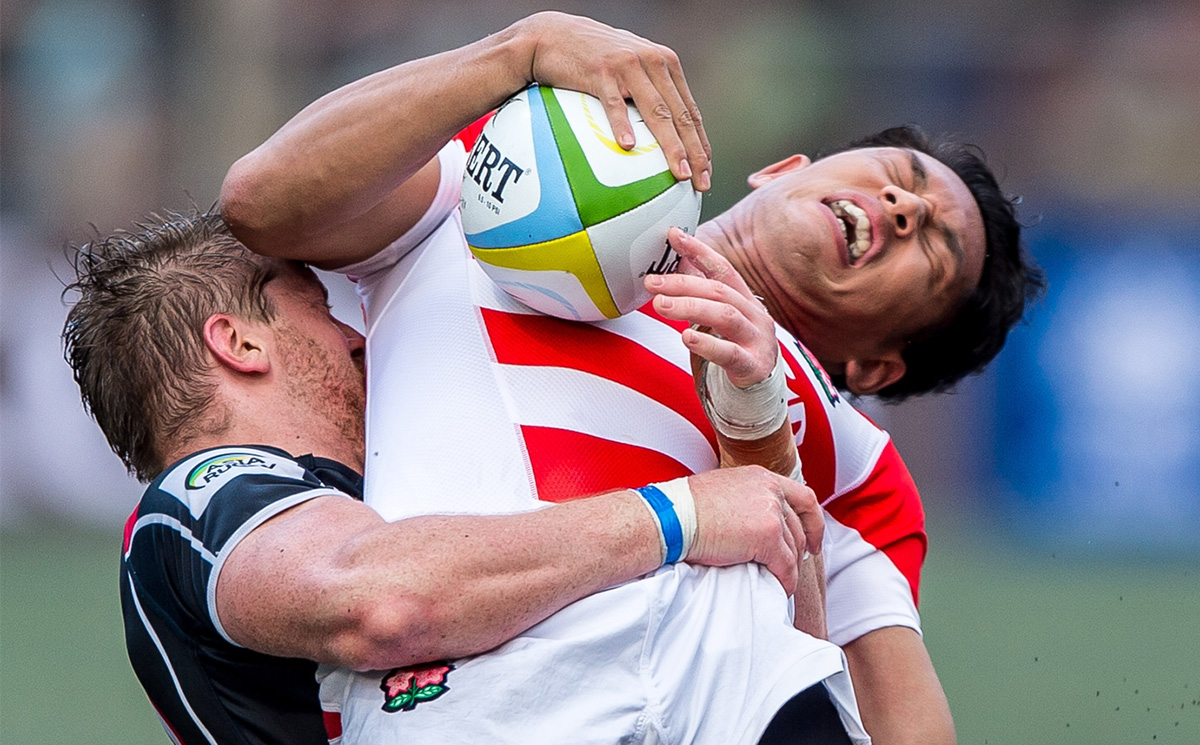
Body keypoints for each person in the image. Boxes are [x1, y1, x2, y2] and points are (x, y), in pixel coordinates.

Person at [220, 10, 1043, 745]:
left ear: (875, 365)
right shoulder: (507, 181)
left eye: (934, 250)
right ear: (782, 167)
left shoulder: (852, 457)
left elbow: (904, 732)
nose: (903, 209)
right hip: (471, 706)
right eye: (902, 175)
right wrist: (519, 50)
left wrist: (761, 441)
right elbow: (261, 202)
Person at [61, 209, 828, 745]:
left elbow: (793, 653)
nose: (356, 334)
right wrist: (682, 513)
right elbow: (378, 602)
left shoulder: (389, 506)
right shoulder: (194, 501)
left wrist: (754, 430)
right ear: (240, 343)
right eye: (320, 307)